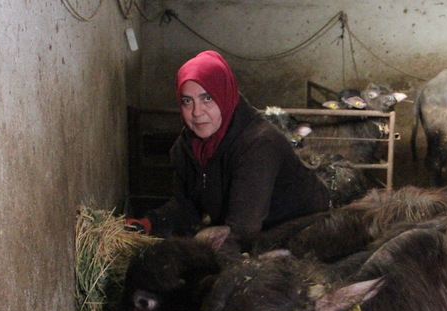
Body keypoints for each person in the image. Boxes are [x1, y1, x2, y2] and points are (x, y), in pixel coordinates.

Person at [126, 50, 330, 238]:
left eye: (207, 98)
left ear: (224, 96)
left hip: (304, 230)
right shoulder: (187, 148)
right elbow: (187, 206)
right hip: (252, 231)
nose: (196, 112)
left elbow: (243, 228)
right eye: (187, 101)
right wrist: (150, 224)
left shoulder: (258, 145)